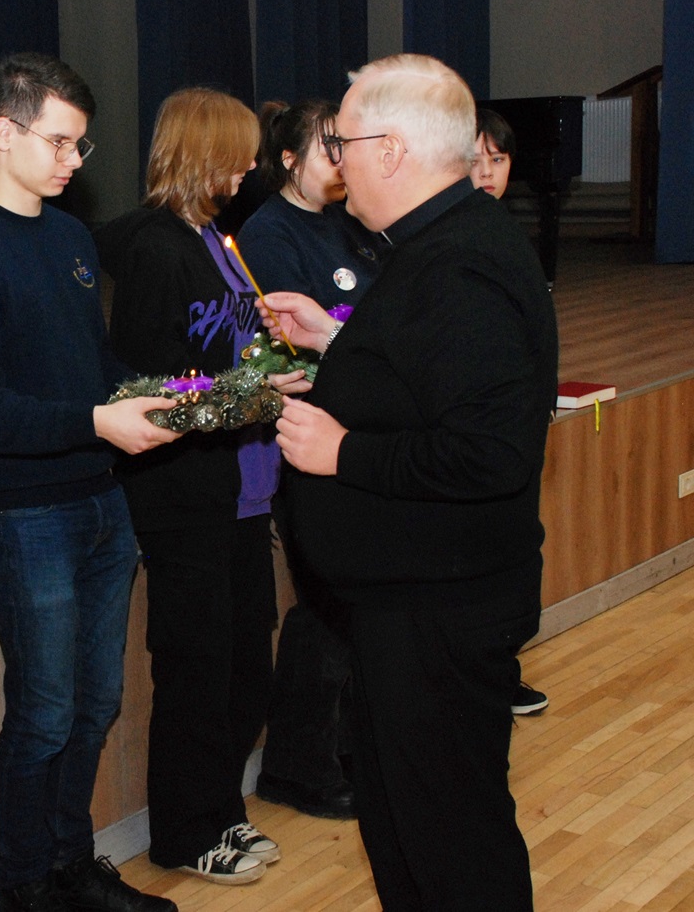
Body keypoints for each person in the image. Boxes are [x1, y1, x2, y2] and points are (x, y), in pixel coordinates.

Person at [261, 54, 558, 910]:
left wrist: (342, 452)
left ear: (390, 151)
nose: (337, 163)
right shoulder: (441, 242)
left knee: (451, 846)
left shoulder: (459, 263)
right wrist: (334, 342)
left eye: (344, 144)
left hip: (438, 611)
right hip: (412, 603)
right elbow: (425, 375)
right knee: (411, 833)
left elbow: (489, 453)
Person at [0, 53, 181, 912]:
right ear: (6, 132)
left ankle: (73, 865)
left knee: (96, 701)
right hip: (27, 513)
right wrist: (97, 421)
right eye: (60, 141)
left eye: (80, 144)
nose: (75, 160)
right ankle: (26, 884)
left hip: (103, 500)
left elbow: (91, 365)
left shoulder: (71, 239)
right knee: (43, 710)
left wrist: (161, 395)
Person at [94, 88, 279, 886]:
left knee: (245, 665)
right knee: (197, 668)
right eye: (236, 156)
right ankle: (184, 830)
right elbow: (148, 386)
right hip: (182, 492)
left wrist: (272, 363)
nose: (247, 170)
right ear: (200, 152)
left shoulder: (214, 236)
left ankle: (222, 809)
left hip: (241, 485)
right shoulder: (154, 248)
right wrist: (253, 395)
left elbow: (233, 350)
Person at [239, 99, 380, 821]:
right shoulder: (269, 234)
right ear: (288, 159)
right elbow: (285, 351)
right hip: (305, 437)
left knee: (356, 599)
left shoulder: (350, 223)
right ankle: (296, 765)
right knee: (325, 602)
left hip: (357, 432)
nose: (341, 158)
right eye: (328, 146)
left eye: (345, 144)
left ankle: (347, 748)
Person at [472, 107, 552, 717]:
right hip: (483, 427)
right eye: (475, 160)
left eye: (497, 161)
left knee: (519, 551)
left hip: (521, 417)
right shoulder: (457, 237)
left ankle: (503, 672)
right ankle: (485, 679)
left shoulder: (511, 233)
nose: (487, 172)